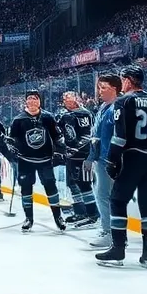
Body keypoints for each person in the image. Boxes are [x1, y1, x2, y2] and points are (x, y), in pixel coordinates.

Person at [98, 65, 147, 269]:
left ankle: (118, 249)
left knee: (117, 200)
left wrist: (112, 160)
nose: (122, 83)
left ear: (129, 81)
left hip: (132, 158)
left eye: (123, 79)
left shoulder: (124, 101)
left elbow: (119, 136)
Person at [8, 91, 66, 231]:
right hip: (25, 160)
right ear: (25, 102)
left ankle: (58, 217)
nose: (32, 101)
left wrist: (59, 151)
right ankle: (29, 218)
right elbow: (11, 140)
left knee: (51, 188)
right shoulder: (18, 119)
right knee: (26, 189)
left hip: (45, 159)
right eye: (29, 99)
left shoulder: (48, 117)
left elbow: (58, 136)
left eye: (35, 98)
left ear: (40, 101)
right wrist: (12, 150)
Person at [88, 75, 121, 250]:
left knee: (104, 195)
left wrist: (111, 159)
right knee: (102, 195)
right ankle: (109, 230)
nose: (99, 91)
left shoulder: (116, 108)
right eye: (99, 87)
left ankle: (110, 232)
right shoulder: (103, 107)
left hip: (108, 160)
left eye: (103, 87)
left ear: (115, 88)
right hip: (100, 158)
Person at [57, 92, 97, 229]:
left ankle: (92, 214)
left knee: (85, 184)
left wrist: (76, 148)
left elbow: (87, 135)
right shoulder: (64, 115)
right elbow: (60, 134)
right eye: (64, 98)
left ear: (77, 99)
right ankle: (80, 212)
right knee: (72, 184)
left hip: (83, 156)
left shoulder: (84, 114)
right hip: (70, 156)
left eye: (69, 97)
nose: (66, 100)